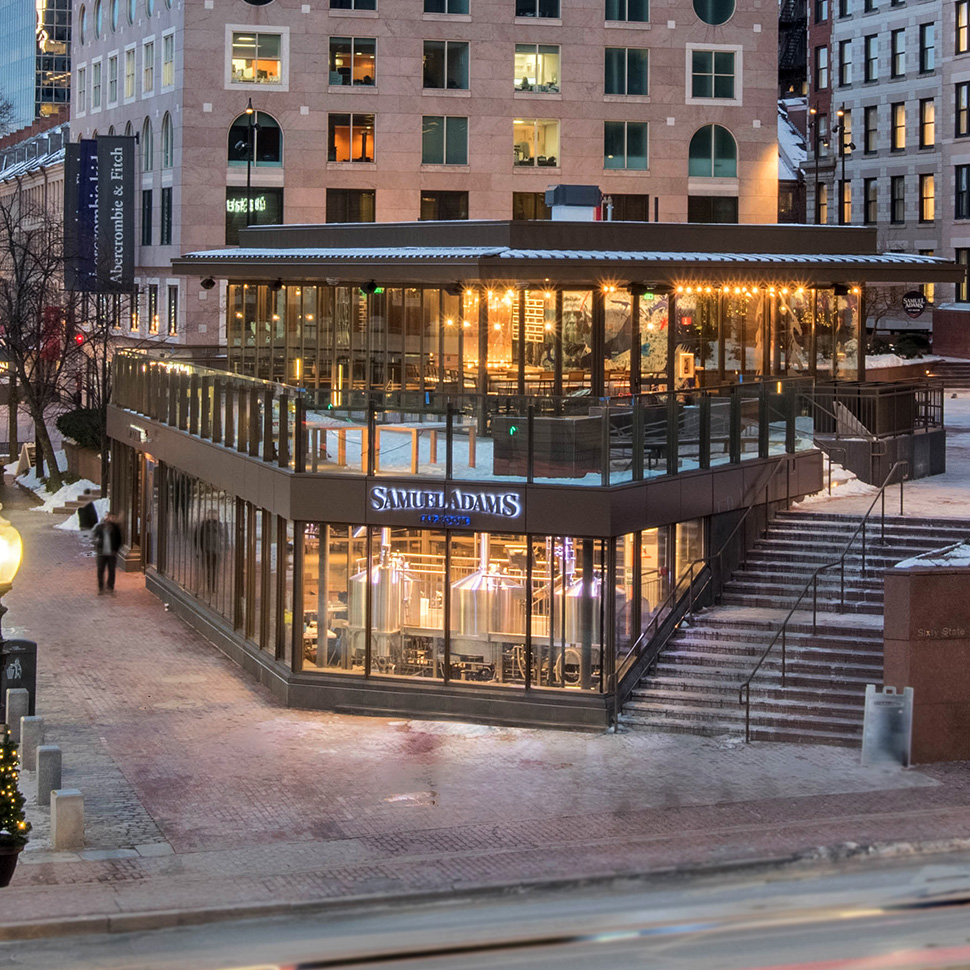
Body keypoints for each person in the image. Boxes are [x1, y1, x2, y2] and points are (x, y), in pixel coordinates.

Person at [92, 512, 124, 596]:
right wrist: (97, 548)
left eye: (111, 517)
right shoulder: (100, 527)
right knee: (100, 570)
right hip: (101, 552)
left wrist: (115, 550)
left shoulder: (115, 528)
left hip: (111, 553)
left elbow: (119, 540)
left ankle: (110, 587)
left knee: (111, 571)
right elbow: (94, 537)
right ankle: (101, 588)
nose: (109, 519)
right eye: (107, 517)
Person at [194, 511, 224, 593]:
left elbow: (222, 537)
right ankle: (210, 586)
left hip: (213, 551)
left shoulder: (217, 525)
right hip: (209, 550)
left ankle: (211, 586)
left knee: (212, 569)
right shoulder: (204, 526)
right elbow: (198, 539)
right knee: (210, 569)